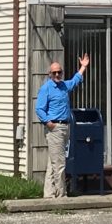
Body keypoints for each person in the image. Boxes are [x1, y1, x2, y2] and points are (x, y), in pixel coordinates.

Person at [35, 53, 90, 198]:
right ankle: (61, 195)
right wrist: (48, 122)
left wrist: (83, 67)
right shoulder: (46, 88)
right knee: (59, 164)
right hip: (55, 128)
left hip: (65, 127)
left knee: (52, 163)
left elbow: (75, 81)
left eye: (60, 72)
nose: (57, 74)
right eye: (55, 72)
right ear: (49, 74)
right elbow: (39, 108)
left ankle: (49, 194)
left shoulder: (64, 86)